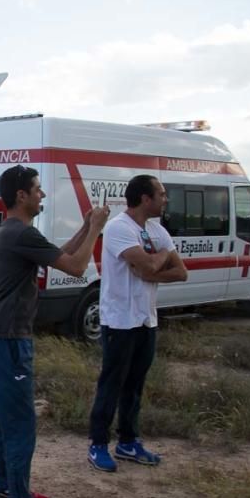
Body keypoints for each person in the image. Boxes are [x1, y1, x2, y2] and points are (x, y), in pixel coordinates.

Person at [0, 165, 108, 498]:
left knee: (3, 421)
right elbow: (77, 266)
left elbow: (58, 255)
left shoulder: (14, 231)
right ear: (21, 195)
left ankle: (5, 490)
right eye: (38, 189)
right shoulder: (20, 232)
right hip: (9, 338)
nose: (43, 195)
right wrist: (97, 227)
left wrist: (84, 226)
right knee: (20, 424)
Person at [88, 175, 188, 472]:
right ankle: (97, 443)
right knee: (112, 383)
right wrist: (157, 259)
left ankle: (128, 442)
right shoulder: (120, 227)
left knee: (135, 384)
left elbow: (180, 272)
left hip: (146, 318)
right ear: (145, 198)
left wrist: (150, 267)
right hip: (120, 319)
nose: (165, 199)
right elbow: (146, 265)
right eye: (161, 194)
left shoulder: (156, 230)